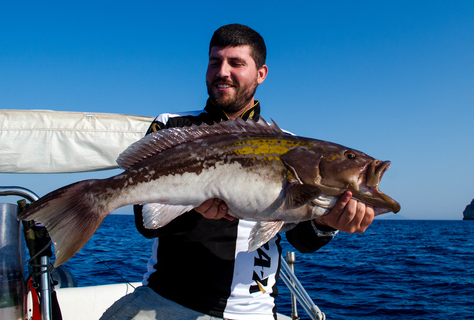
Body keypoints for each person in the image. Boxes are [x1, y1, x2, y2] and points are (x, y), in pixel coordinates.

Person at [101, 23, 374, 320]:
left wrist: (327, 224)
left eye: (236, 63)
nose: (222, 71)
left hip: (252, 310)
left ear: (261, 74)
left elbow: (301, 239)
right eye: (215, 61)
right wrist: (194, 208)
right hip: (167, 299)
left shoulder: (289, 145)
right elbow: (147, 221)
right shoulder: (173, 126)